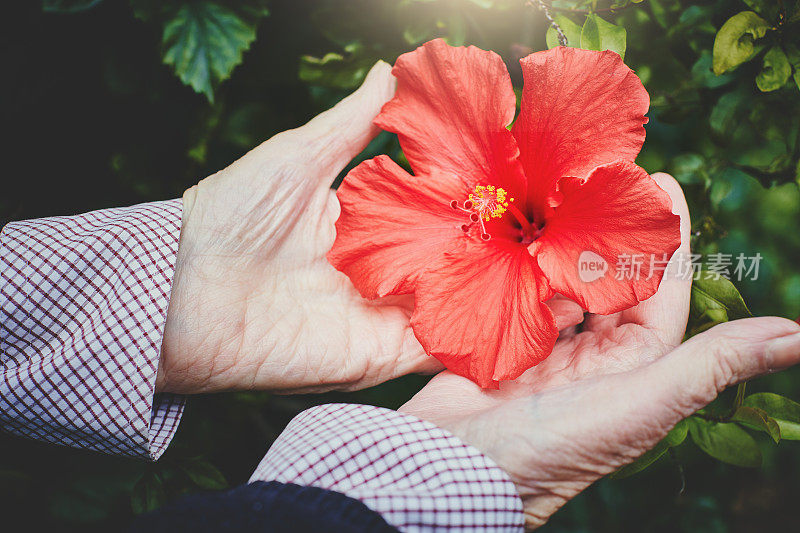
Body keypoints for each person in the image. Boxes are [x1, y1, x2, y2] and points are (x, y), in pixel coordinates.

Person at [2, 62, 799, 532]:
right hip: (500, 260)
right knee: (474, 207)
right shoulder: (485, 208)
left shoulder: (568, 168)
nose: (492, 205)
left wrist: (173, 297)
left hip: (555, 235)